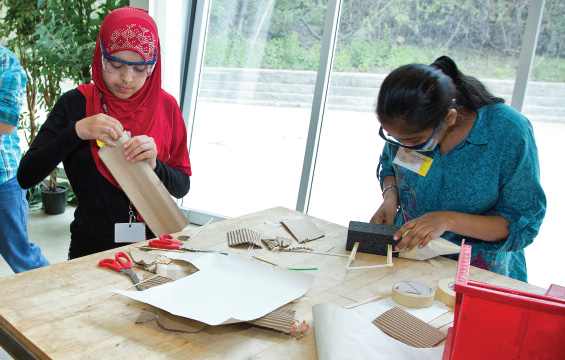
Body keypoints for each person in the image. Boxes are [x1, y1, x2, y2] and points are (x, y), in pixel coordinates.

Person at [17, 7, 192, 259]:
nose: (127, 78)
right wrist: (75, 132)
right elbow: (26, 176)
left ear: (153, 66)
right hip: (91, 247)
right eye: (115, 64)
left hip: (154, 245)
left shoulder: (166, 107)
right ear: (101, 57)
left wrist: (155, 166)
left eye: (140, 68)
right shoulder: (76, 104)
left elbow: (181, 187)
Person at [370, 56, 546, 282]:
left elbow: (521, 221)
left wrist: (447, 220)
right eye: (395, 138)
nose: (404, 146)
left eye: (415, 139)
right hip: (409, 259)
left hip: (477, 273)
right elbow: (390, 163)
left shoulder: (507, 132)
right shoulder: (409, 123)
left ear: (450, 118)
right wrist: (390, 197)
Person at [0, 45, 50, 272]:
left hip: (3, 176)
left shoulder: (6, 62)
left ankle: (55, 298)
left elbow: (6, 124)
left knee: (18, 252)